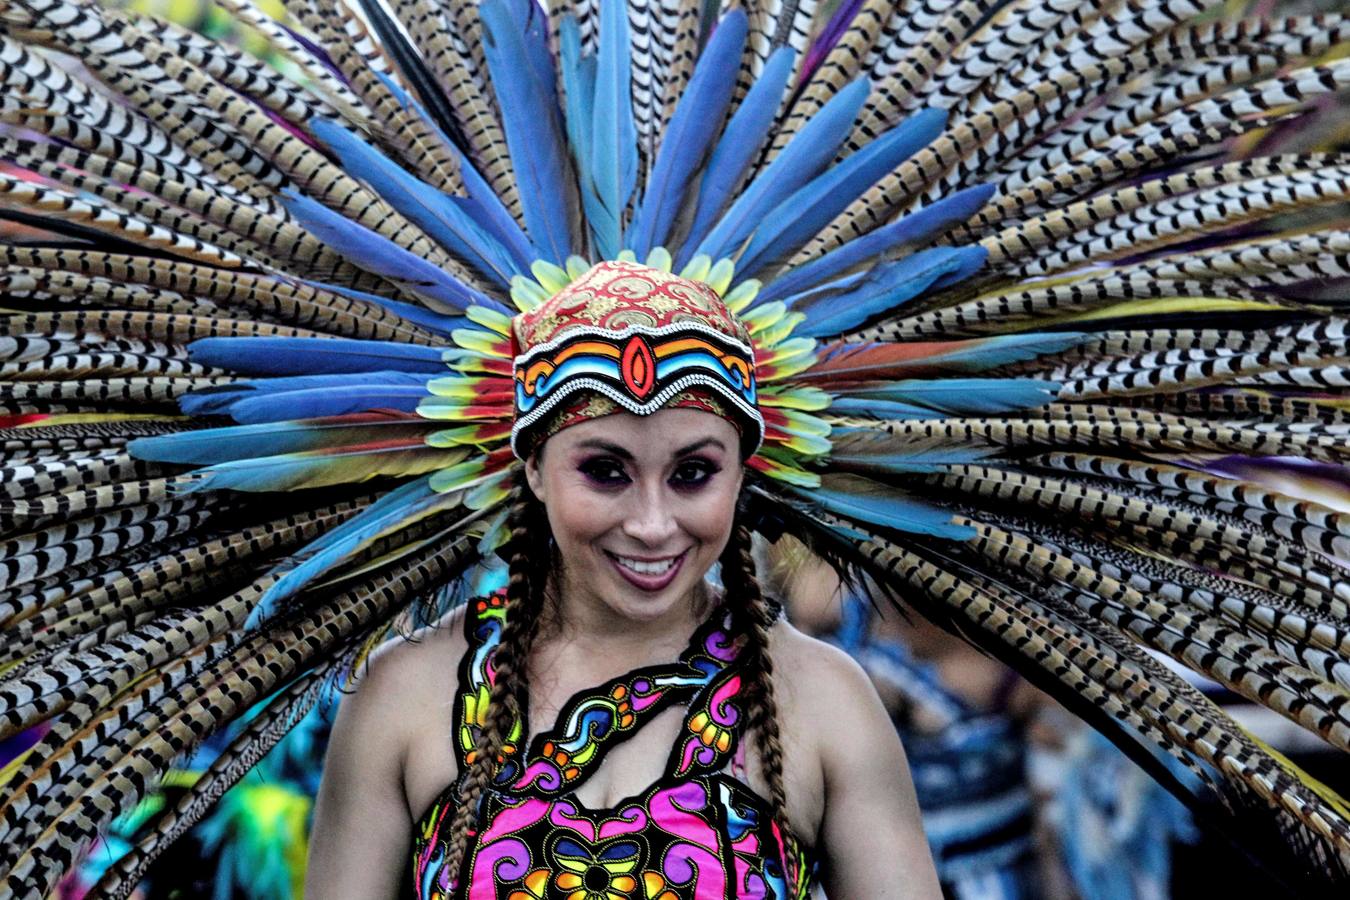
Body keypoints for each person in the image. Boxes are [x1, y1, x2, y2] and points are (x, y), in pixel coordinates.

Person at [304, 263, 942, 898]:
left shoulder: (825, 702)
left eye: (692, 473)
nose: (652, 525)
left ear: (741, 474)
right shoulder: (404, 693)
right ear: (533, 469)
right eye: (606, 471)